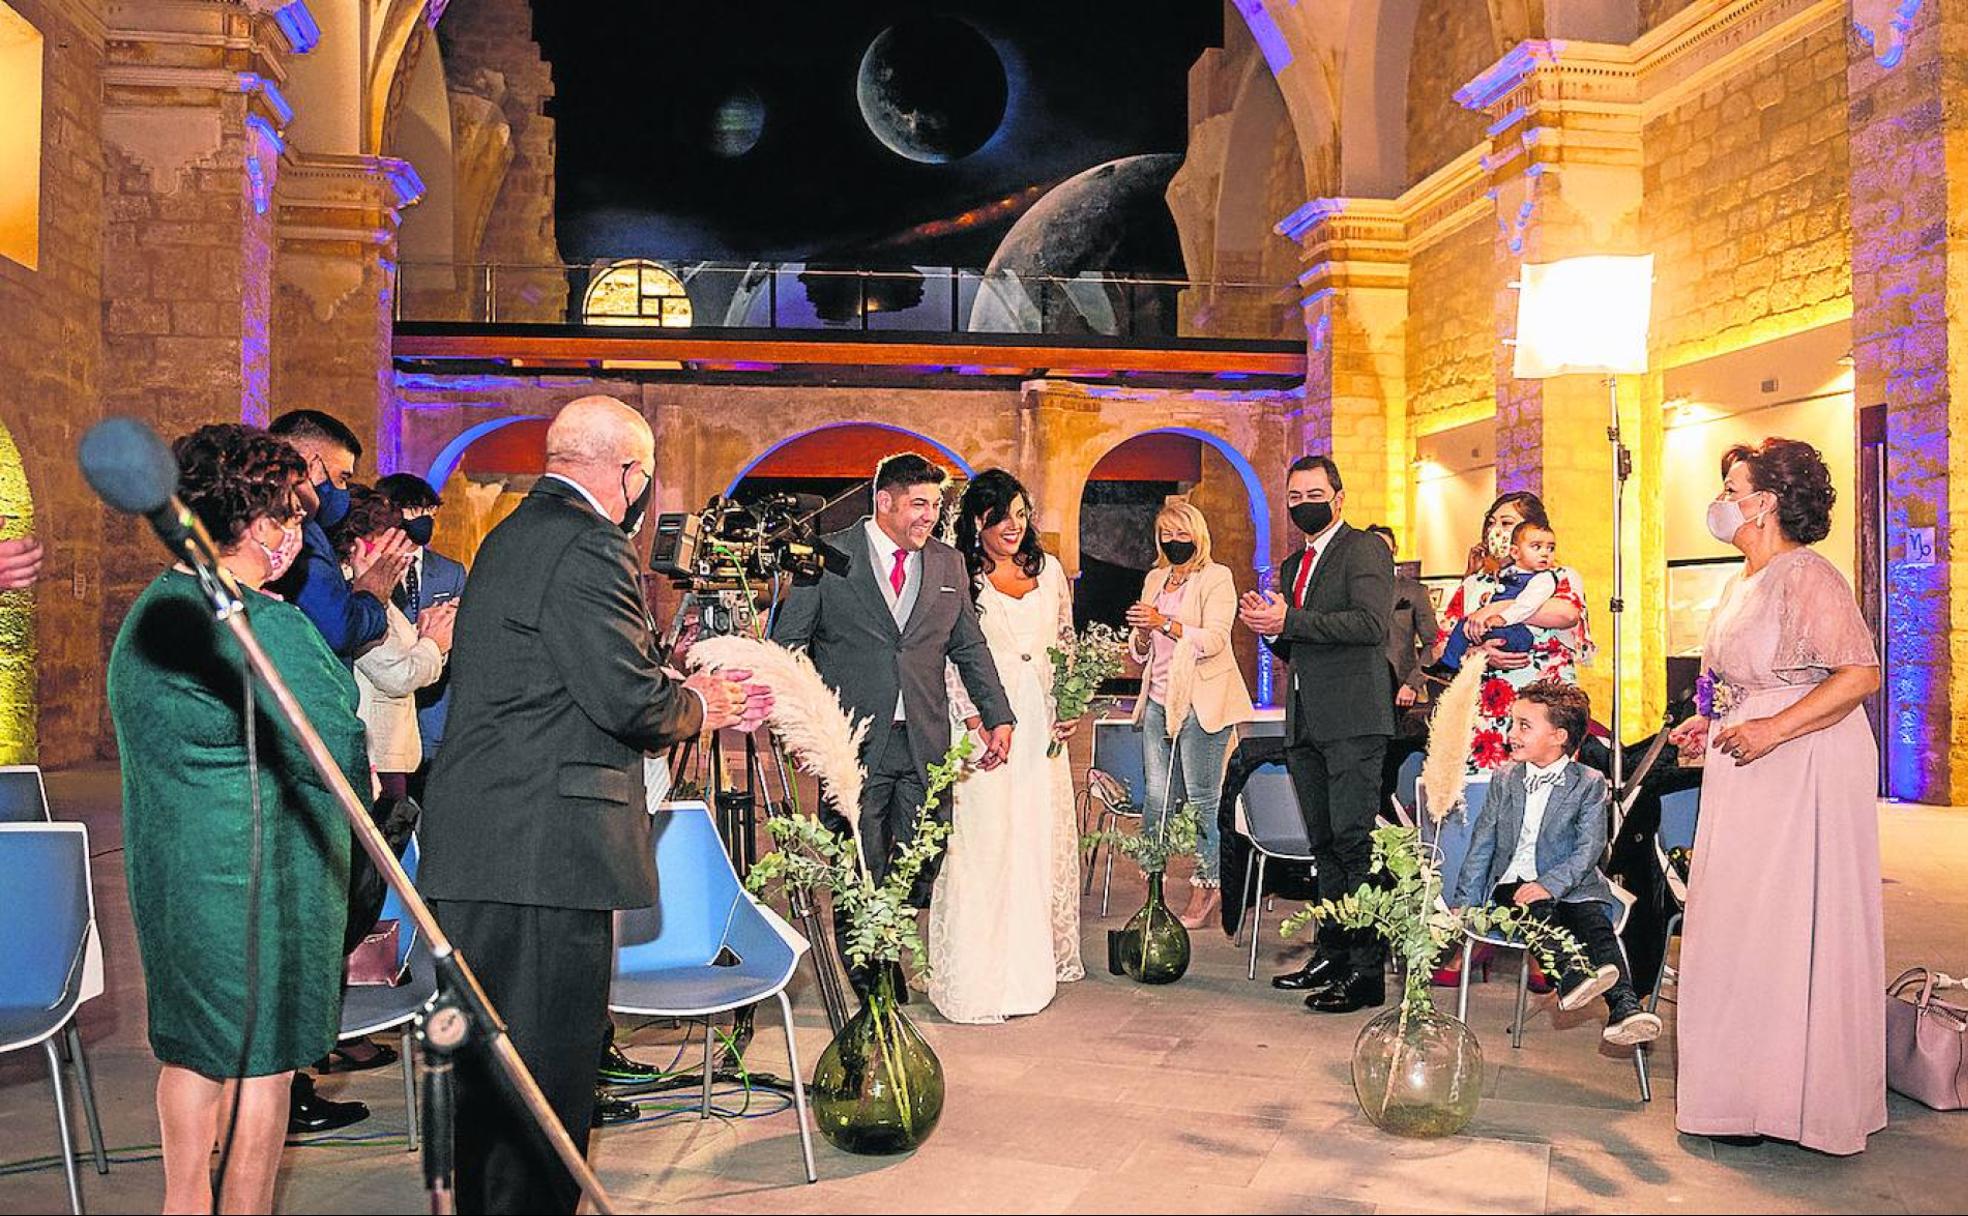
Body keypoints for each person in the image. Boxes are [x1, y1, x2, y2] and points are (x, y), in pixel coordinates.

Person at [418, 396, 760, 1213]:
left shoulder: (508, 534)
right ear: (629, 475)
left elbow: (561, 678)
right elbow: (627, 701)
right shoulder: (588, 544)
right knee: (544, 1076)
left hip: (490, 839)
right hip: (544, 849)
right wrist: (701, 703)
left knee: (493, 1071)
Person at [107, 424, 368, 1213]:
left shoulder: (158, 609)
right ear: (261, 528)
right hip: (262, 875)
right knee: (264, 1063)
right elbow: (340, 751)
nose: (300, 534)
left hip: (176, 869)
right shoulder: (259, 622)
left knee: (193, 1055)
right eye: (294, 515)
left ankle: (184, 1205)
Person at [1665, 438, 1884, 1155]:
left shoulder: (1808, 575)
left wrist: (1773, 730)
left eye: (1733, 488)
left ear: (1766, 502)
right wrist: (1710, 719)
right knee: (1736, 919)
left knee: (1789, 918)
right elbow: (1733, 679)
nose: (1721, 502)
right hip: (1746, 758)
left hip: (1806, 760)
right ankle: (1740, 1091)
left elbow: (1859, 674)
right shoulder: (1740, 583)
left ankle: (1797, 1095)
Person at [772, 451, 1015, 993]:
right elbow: (789, 646)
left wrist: (997, 715)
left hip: (926, 739)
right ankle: (870, 974)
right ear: (884, 502)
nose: (930, 516)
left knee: (922, 854)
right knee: (859, 862)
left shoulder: (949, 564)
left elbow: (969, 647)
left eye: (937, 504)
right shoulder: (828, 557)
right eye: (919, 504)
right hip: (851, 743)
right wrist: (798, 725)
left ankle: (886, 942)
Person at [926, 470, 1085, 1023]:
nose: (1015, 526)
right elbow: (947, 650)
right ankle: (975, 970)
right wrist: (970, 714)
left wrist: (1070, 701)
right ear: (977, 521)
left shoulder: (1050, 572)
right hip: (981, 720)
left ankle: (1028, 972)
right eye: (1002, 517)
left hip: (1039, 721)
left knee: (1034, 838)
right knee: (983, 842)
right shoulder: (958, 573)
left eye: (1021, 514)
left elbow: (1066, 643)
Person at [1238, 455, 1393, 1013]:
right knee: (1323, 847)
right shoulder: (1290, 566)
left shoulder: (1364, 549)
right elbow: (1297, 647)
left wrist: (1291, 622)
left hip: (1353, 719)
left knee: (1355, 846)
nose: (1304, 503)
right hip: (1306, 720)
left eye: (1314, 493)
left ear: (1339, 496)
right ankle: (1332, 949)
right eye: (1294, 497)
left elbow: (1370, 625)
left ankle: (1366, 971)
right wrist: (1269, 628)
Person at [1450, 680, 1662, 1045]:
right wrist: (1465, 903)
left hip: (1572, 882)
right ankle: (1570, 974)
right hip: (1513, 885)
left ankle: (1624, 1009)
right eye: (1512, 723)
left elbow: (1590, 847)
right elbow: (1481, 844)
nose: (1511, 733)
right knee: (1536, 911)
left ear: (1559, 736)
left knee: (1595, 924)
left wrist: (1551, 884)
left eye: (1523, 725)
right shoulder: (1505, 778)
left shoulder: (1589, 782)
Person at [1125, 498, 1254, 929]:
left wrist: (1162, 622)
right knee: (1157, 799)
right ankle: (1154, 884)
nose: (1174, 541)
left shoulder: (1217, 577)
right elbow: (1143, 651)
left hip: (1203, 702)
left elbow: (1214, 639)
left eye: (1182, 534)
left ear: (1197, 536)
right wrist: (1142, 636)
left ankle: (1208, 884)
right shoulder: (1155, 578)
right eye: (1167, 535)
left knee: (1202, 799)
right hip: (1160, 699)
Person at [1437, 492, 1592, 776]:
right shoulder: (1475, 584)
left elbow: (1565, 614)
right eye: (1492, 522)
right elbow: (1442, 644)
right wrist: (1476, 654)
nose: (1496, 531)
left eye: (1507, 523)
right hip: (1487, 718)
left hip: (1545, 718)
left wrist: (1499, 608)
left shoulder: (1559, 577)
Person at [331, 487, 455, 802]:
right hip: (378, 754)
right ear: (360, 545)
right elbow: (396, 673)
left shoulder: (375, 590)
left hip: (391, 752)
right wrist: (433, 642)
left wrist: (422, 630)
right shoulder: (354, 592)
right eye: (389, 542)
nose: (399, 553)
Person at [266, 409, 412, 664]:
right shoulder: (298, 532)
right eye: (342, 477)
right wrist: (372, 594)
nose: (344, 490)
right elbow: (338, 627)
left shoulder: (298, 524)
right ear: (311, 464)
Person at [374, 472, 467, 792]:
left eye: (431, 512)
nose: (425, 520)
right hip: (388, 716)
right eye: (416, 511)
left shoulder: (451, 572)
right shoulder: (371, 567)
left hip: (434, 710)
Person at [1366, 524, 1436, 810]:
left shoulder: (1414, 592)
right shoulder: (1353, 593)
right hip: (1362, 691)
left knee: (1390, 766)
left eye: (1384, 546)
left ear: (1394, 550)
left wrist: (1413, 681)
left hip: (1400, 694)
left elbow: (1434, 643)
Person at [1431, 520, 1558, 675]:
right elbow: (1442, 638)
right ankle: (1448, 665)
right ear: (1515, 552)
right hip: (1494, 647)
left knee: (1474, 627)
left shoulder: (1545, 578)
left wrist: (1501, 617)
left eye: (1550, 548)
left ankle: (1452, 663)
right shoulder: (1501, 574)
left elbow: (1526, 605)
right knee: (1465, 624)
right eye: (1537, 547)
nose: (1545, 553)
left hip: (1520, 632)